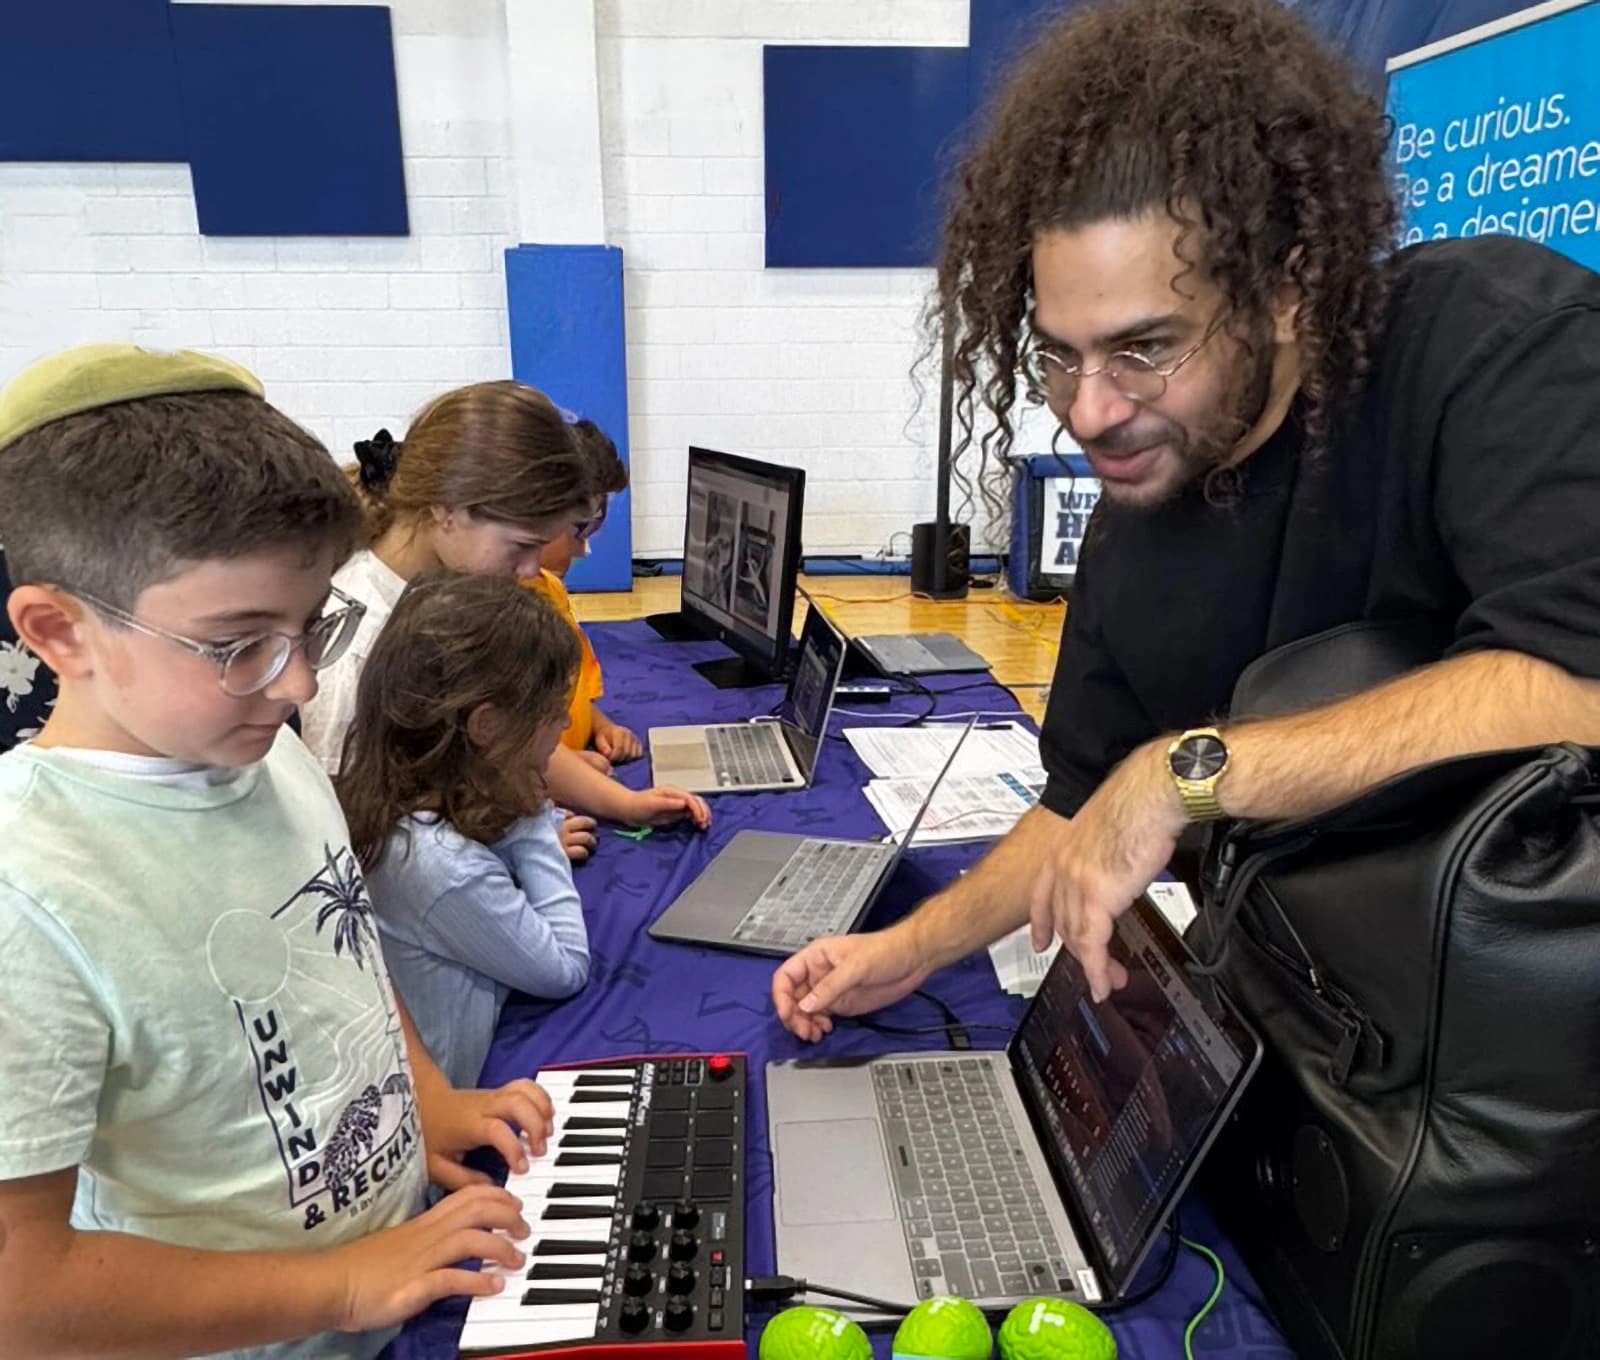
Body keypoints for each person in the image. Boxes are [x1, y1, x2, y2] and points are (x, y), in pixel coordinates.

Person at [774, 0, 1600, 1037]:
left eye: (1144, 349)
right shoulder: (1139, 507)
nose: (1088, 410)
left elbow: (1578, 684)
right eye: (1058, 355)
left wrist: (1190, 772)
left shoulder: (1492, 348)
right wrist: (905, 948)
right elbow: (1081, 811)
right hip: (1316, 1048)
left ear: (1288, 293)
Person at [0, 345, 558, 1359]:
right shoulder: (26, 896)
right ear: (59, 630)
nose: (298, 682)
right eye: (242, 641)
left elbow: (334, 950)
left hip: (377, 1300)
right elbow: (22, 1294)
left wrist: (426, 1102)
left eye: (309, 630)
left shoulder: (269, 754)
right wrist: (343, 1283)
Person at [299, 383, 710, 863]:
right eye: (521, 546)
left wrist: (622, 803)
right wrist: (505, 850)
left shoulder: (451, 590)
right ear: (448, 510)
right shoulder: (353, 648)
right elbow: (346, 836)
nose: (531, 570)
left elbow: (514, 734)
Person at [338, 571, 591, 1091]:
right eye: (551, 713)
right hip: (453, 1123)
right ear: (487, 726)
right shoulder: (440, 865)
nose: (564, 729)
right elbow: (563, 970)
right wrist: (536, 819)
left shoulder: (404, 796)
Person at [524, 416, 641, 766]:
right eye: (578, 530)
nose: (581, 551)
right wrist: (560, 778)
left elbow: (576, 698)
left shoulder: (552, 592)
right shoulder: (501, 620)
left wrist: (600, 725)